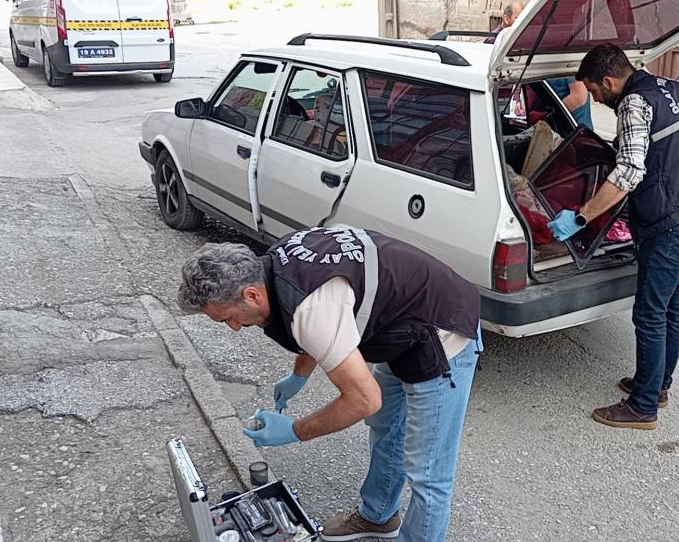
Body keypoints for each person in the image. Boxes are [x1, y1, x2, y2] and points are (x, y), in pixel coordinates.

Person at [178, 227, 482, 542]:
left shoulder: (311, 309)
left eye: (229, 317)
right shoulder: (272, 266)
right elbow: (310, 321)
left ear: (251, 295)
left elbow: (363, 400)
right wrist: (300, 375)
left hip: (443, 330)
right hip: (401, 324)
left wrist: (295, 430)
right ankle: (378, 517)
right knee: (387, 427)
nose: (235, 328)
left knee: (429, 475)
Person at [546, 44, 679, 430]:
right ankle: (658, 384)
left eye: (595, 93)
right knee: (675, 303)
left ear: (608, 81)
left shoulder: (634, 103)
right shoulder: (675, 89)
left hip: (672, 222)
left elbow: (629, 171)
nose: (596, 101)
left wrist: (581, 217)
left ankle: (642, 406)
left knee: (650, 312)